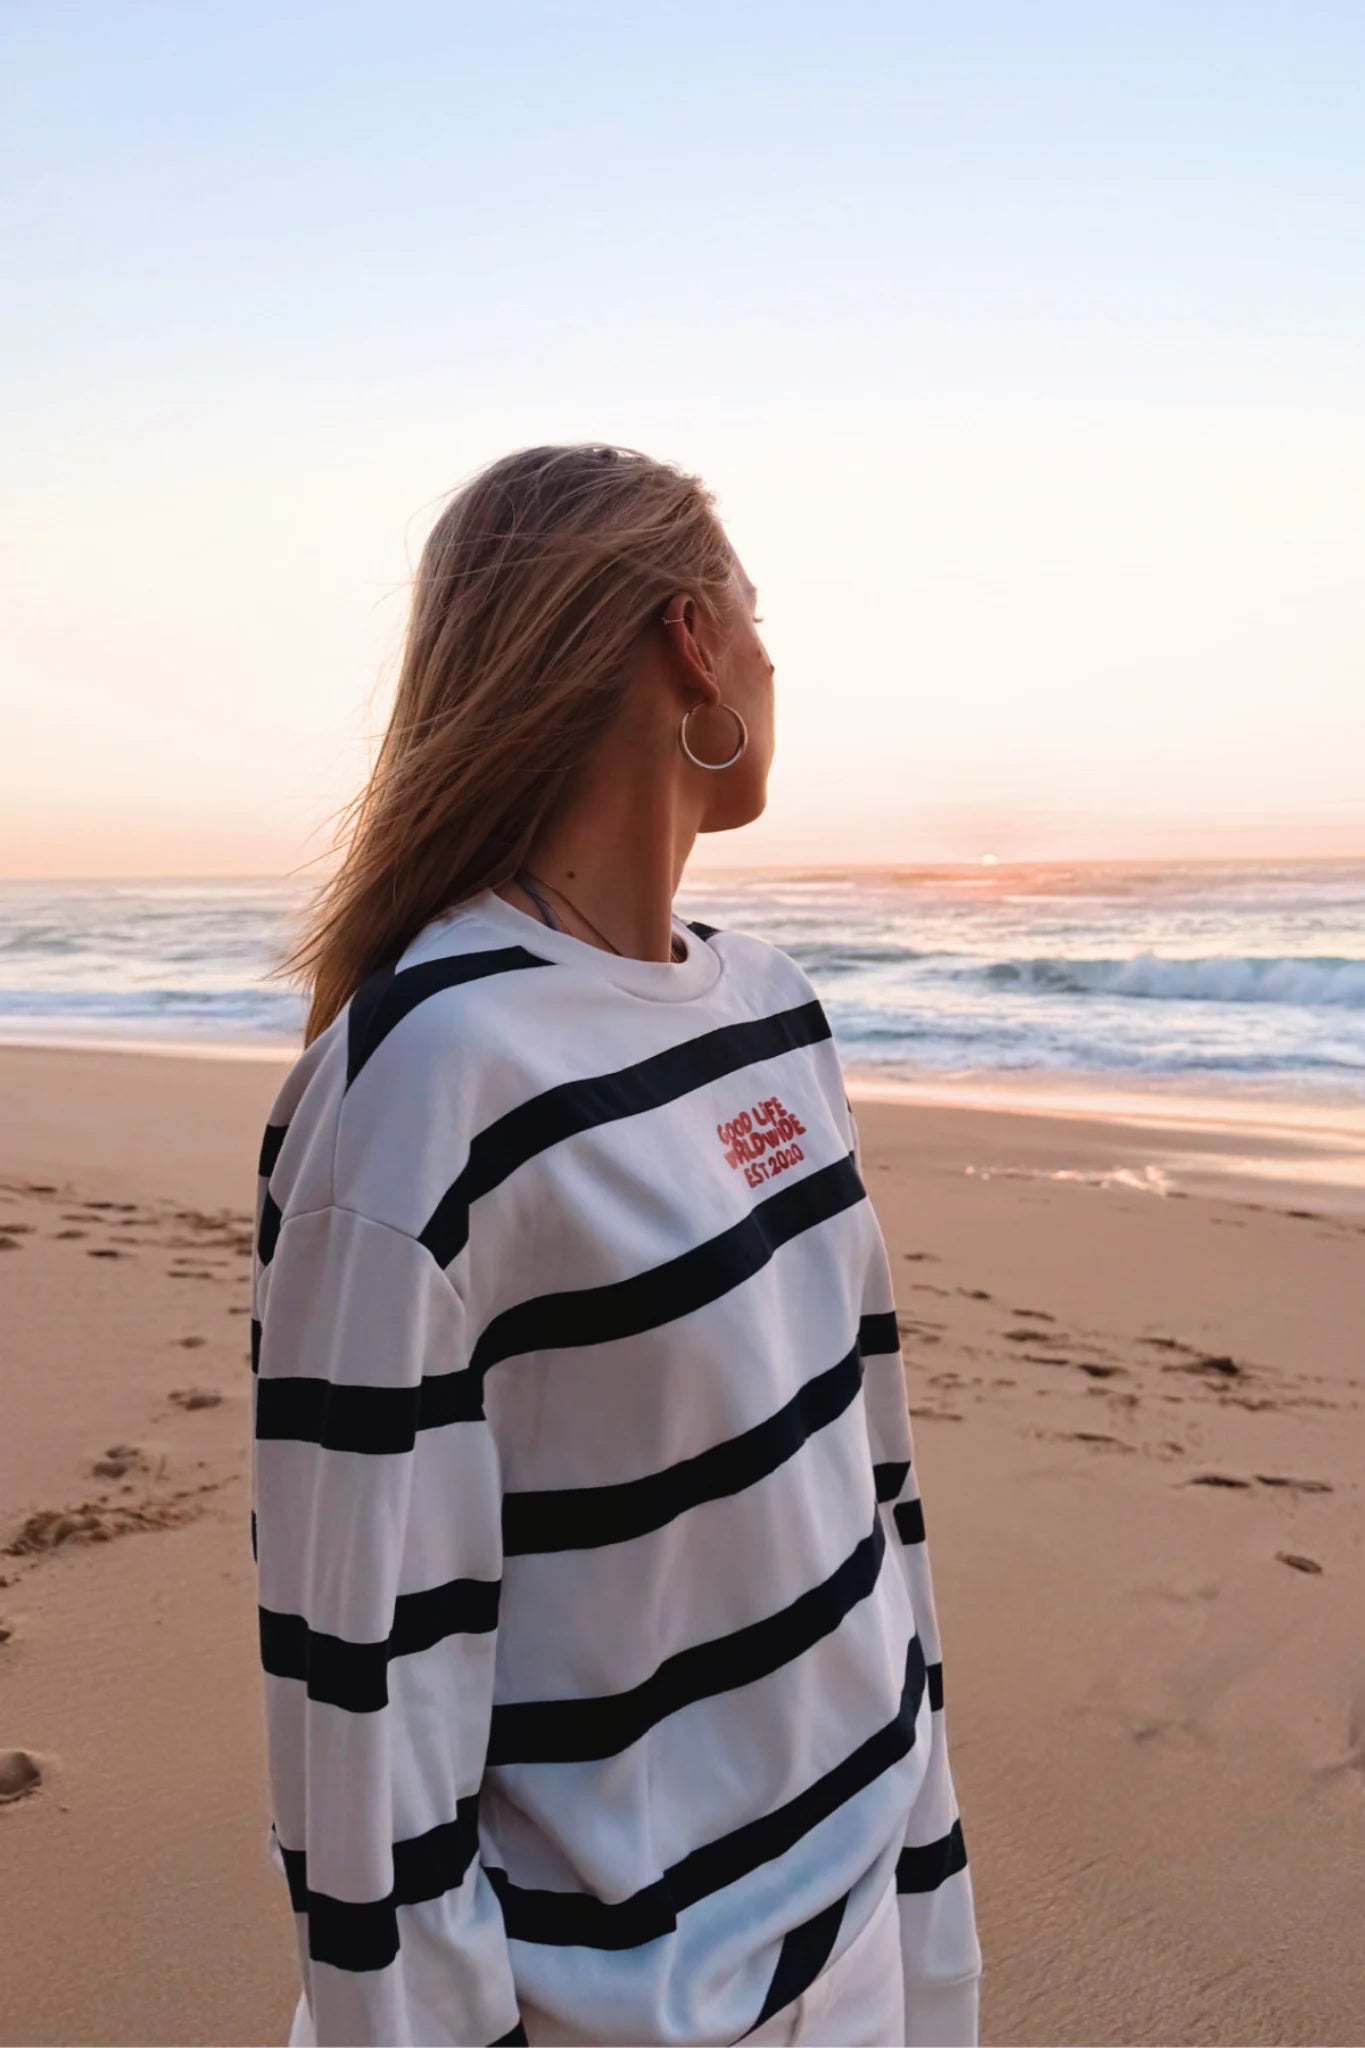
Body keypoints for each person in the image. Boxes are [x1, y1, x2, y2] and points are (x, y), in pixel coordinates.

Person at [249, 444, 983, 2047]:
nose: (774, 660)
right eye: (754, 614)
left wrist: (928, 1909)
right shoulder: (429, 1082)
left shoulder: (772, 1011)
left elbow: (867, 1502)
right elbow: (358, 1695)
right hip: (612, 2008)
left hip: (858, 1938)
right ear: (690, 642)